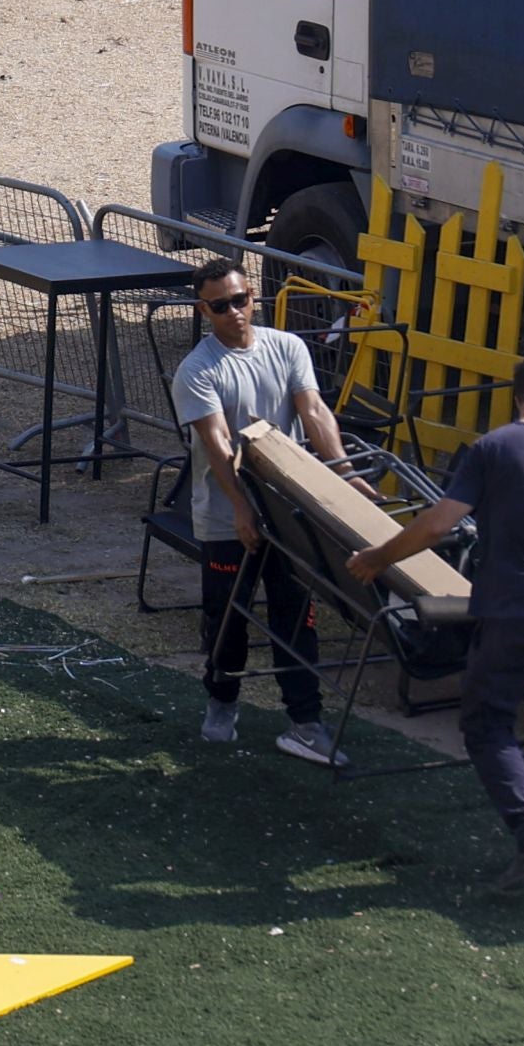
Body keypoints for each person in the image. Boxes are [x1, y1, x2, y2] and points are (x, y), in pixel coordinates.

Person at [347, 352, 524, 891]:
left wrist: (379, 557)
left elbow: (439, 524)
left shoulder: (494, 448)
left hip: (514, 610)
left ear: (523, 395)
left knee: (488, 723)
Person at [172, 259, 376, 766]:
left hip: (289, 515)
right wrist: (242, 509)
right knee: (227, 621)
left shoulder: (288, 348)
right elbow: (218, 445)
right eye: (220, 306)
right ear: (204, 310)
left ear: (253, 297)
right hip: (226, 519)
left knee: (295, 617)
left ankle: (305, 722)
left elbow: (314, 412)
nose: (234, 312)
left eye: (240, 300)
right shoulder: (197, 370)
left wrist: (346, 477)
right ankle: (222, 701)